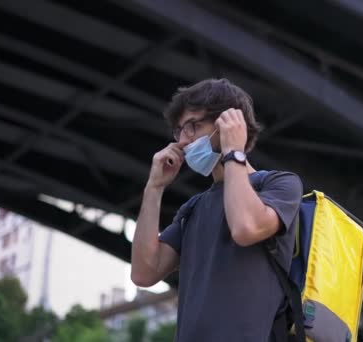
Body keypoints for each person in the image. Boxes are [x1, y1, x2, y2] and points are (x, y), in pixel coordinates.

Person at [130, 78, 303, 341]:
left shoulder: (278, 184)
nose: (184, 141)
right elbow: (144, 273)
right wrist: (154, 188)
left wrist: (234, 150)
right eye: (179, 131)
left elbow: (245, 228)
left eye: (193, 126)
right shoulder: (193, 209)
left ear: (229, 123)